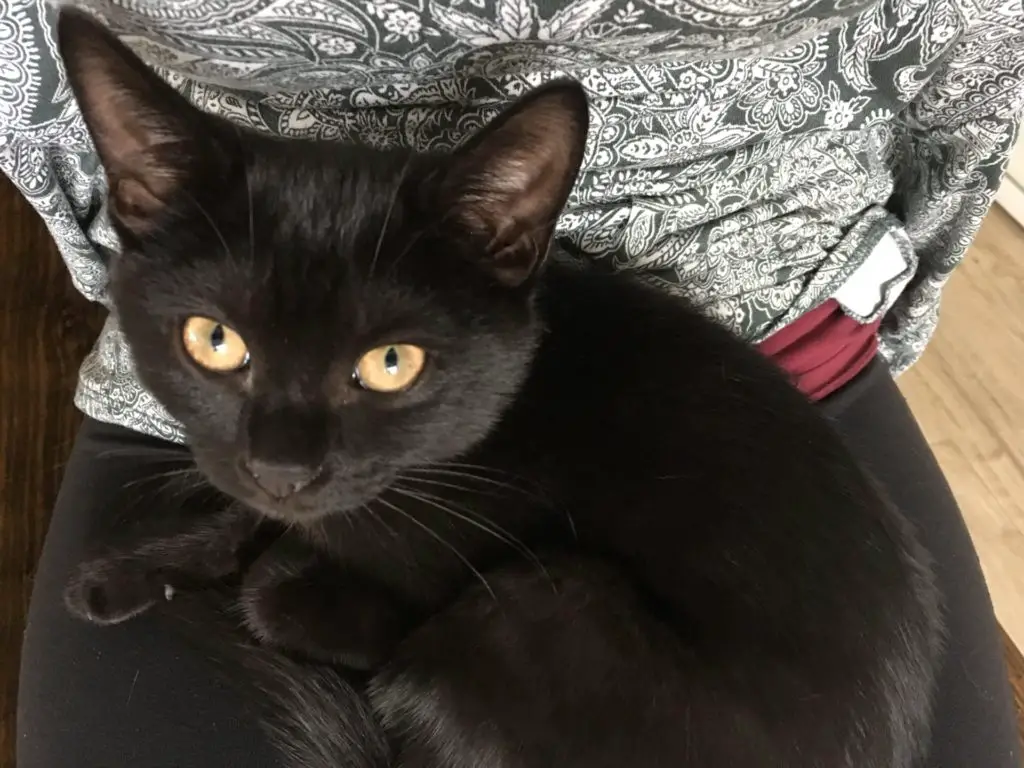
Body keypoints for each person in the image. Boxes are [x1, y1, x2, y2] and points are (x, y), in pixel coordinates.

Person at [5, 0, 1022, 764]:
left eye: (387, 364)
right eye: (217, 350)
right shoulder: (422, 346)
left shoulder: (477, 340)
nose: (277, 463)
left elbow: (972, 63)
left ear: (509, 243)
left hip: (722, 610)